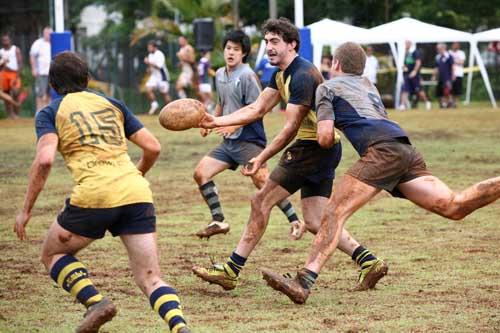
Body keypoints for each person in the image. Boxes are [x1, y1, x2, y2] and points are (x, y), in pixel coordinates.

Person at [260, 42, 500, 305]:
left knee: (333, 212)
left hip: (381, 152)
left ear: (336, 65)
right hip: (405, 149)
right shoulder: (368, 85)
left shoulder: (327, 88)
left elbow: (325, 136)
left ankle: (303, 282)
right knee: (454, 206)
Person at [193, 18, 386, 293]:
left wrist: (261, 158)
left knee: (261, 201)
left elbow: (290, 128)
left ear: (292, 44)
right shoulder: (280, 73)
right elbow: (257, 108)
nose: (269, 48)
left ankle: (231, 270)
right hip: (325, 149)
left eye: (275, 42)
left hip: (311, 149)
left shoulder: (302, 75)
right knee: (315, 221)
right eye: (267, 42)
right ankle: (368, 261)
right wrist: (217, 121)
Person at [13, 51, 190, 333]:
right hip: (136, 193)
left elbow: (45, 159)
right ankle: (180, 326)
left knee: (52, 255)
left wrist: (25, 210)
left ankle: (96, 303)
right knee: (151, 278)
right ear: (87, 79)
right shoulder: (113, 104)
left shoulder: (50, 112)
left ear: (53, 85)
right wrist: (137, 173)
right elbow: (153, 147)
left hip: (93, 195)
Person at [193, 30, 302, 239]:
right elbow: (221, 103)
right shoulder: (219, 74)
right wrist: (210, 121)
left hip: (250, 141)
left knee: (265, 183)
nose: (231, 53)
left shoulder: (247, 75)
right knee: (200, 173)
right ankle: (218, 220)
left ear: (243, 53)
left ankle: (296, 221)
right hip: (228, 143)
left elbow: (258, 110)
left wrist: (234, 126)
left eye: (236, 49)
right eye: (228, 48)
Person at [399, 40, 431, 111]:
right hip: (407, 75)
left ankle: (427, 102)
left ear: (410, 44)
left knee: (419, 90)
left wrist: (415, 71)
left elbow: (418, 62)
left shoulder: (415, 52)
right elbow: (405, 63)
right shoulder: (406, 53)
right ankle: (403, 105)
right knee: (405, 89)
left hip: (415, 75)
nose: (405, 45)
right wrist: (404, 67)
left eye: (407, 43)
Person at [144, 40, 171, 115]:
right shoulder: (150, 55)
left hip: (162, 77)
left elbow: (159, 66)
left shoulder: (159, 54)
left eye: (150, 47)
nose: (148, 48)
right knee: (148, 88)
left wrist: (149, 63)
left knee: (164, 94)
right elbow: (151, 67)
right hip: (154, 77)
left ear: (154, 47)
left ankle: (170, 109)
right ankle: (154, 104)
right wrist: (148, 69)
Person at [0, 32, 23, 118]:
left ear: (10, 40)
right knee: (6, 94)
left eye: (6, 40)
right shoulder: (1, 52)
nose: (5, 42)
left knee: (15, 92)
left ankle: (17, 114)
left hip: (14, 73)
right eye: (3, 40)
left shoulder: (15, 49)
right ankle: (10, 114)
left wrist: (17, 75)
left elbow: (20, 63)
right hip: (4, 74)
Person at [30, 26, 52, 111]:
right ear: (43, 33)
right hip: (42, 73)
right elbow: (32, 56)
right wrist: (34, 69)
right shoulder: (38, 43)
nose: (48, 35)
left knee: (50, 94)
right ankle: (39, 111)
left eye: (50, 33)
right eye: (47, 33)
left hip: (53, 73)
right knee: (40, 94)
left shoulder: (55, 43)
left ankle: (49, 112)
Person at [433, 43, 454, 108]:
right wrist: (434, 76)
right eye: (437, 49)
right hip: (440, 77)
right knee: (440, 91)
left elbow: (452, 66)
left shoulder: (449, 56)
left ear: (443, 48)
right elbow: (436, 67)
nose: (438, 50)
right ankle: (442, 104)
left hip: (447, 76)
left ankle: (449, 103)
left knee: (447, 91)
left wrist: (453, 75)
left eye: (439, 49)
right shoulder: (437, 57)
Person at [449, 42, 466, 108]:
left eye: (456, 45)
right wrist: (456, 61)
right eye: (454, 45)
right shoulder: (449, 52)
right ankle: (450, 102)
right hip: (450, 74)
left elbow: (462, 62)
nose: (455, 46)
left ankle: (455, 103)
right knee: (450, 89)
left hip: (459, 73)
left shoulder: (461, 53)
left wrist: (453, 61)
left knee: (457, 90)